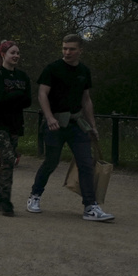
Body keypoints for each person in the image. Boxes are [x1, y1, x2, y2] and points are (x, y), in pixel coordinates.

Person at [27, 35, 114, 221]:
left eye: (72, 49)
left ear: (80, 50)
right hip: (55, 124)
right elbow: (42, 93)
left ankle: (90, 207)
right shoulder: (53, 69)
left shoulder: (84, 71)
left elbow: (86, 99)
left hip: (76, 125)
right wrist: (49, 117)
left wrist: (93, 125)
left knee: (86, 163)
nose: (67, 52)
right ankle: (35, 195)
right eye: (65, 48)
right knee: (51, 162)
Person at [0, 41, 32, 216]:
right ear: (3, 54)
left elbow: (28, 100)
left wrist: (13, 95)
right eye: (13, 52)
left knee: (6, 163)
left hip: (15, 124)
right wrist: (17, 95)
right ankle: (5, 201)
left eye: (18, 53)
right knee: (9, 157)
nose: (16, 56)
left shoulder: (23, 76)